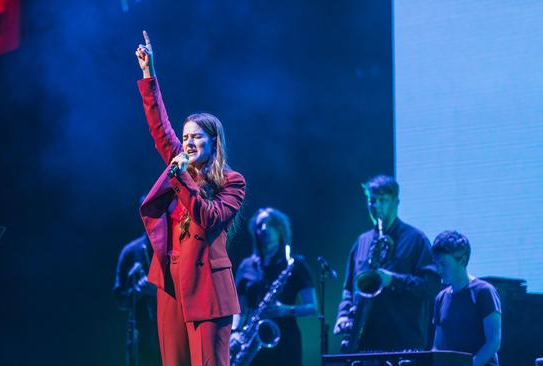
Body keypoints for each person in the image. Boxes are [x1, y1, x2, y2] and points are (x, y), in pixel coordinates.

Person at [135, 31, 246, 366]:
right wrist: (148, 73)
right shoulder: (178, 165)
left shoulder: (232, 182)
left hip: (208, 291)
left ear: (214, 142)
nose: (188, 143)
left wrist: (181, 175)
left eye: (196, 137)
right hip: (171, 285)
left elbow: (208, 217)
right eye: (185, 138)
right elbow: (159, 126)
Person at [334, 175, 440, 351]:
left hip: (402, 342)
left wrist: (393, 280)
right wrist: (343, 315)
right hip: (364, 342)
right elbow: (348, 288)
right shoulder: (362, 241)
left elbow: (432, 286)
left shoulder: (416, 239)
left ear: (396, 202)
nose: (376, 206)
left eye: (383, 200)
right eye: (372, 200)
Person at [232, 207, 318, 365]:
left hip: (286, 340)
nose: (264, 229)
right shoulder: (246, 265)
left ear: (280, 229)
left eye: (270, 224)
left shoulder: (295, 264)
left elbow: (312, 307)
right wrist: (235, 331)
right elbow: (239, 308)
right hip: (252, 340)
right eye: (259, 225)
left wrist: (286, 309)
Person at [431, 230, 501, 366]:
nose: (438, 270)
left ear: (462, 260)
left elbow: (493, 343)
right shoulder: (441, 298)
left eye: (444, 264)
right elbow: (437, 347)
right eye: (437, 264)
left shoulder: (484, 292)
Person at [113, 230, 161, 366]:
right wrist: (138, 291)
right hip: (142, 337)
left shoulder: (175, 250)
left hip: (171, 335)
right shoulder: (130, 251)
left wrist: (159, 292)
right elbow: (120, 298)